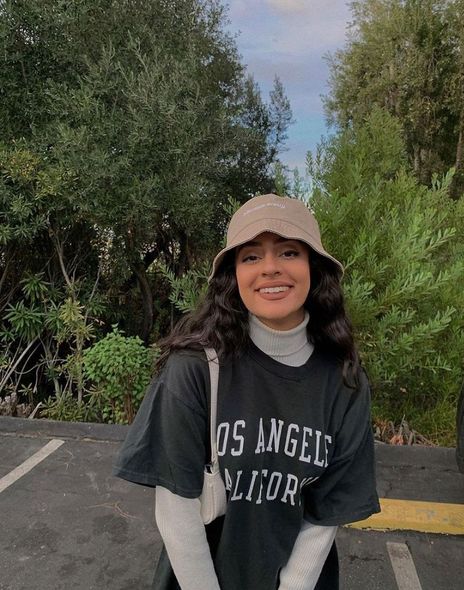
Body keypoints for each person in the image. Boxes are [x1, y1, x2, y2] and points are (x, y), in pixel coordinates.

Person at [113, 193, 380, 590]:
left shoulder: (345, 380)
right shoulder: (194, 368)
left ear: (313, 267)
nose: (270, 269)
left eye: (289, 252)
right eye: (251, 257)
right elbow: (177, 509)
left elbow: (327, 512)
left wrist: (293, 585)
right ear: (233, 276)